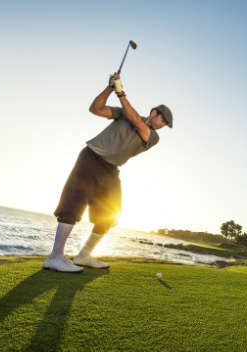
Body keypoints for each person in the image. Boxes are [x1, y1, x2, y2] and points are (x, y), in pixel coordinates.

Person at [43, 73, 173, 272]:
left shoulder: (153, 137)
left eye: (165, 124)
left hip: (110, 170)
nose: (162, 125)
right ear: (154, 112)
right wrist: (110, 88)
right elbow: (95, 109)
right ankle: (55, 257)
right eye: (163, 120)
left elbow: (138, 124)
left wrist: (121, 93)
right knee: (72, 205)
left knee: (111, 214)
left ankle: (84, 255)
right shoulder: (123, 113)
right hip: (90, 158)